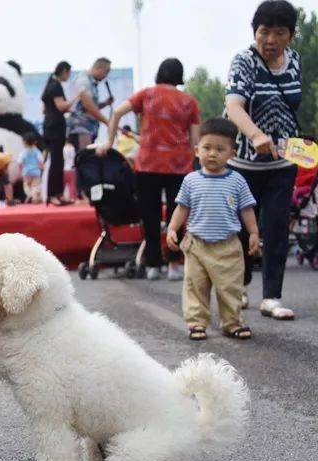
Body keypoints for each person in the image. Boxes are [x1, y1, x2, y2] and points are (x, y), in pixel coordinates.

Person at [225, 0, 300, 320]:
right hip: (244, 166)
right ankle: (238, 287)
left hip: (283, 162)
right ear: (254, 33)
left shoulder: (295, 60)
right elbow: (234, 106)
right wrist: (255, 135)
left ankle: (272, 296)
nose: (270, 39)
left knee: (277, 227)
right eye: (263, 32)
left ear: (290, 36)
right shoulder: (244, 61)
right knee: (242, 231)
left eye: (279, 33)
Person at [98, 58, 200, 281]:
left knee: (149, 214)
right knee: (178, 213)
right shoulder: (189, 102)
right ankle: (174, 263)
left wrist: (109, 143)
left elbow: (116, 113)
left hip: (147, 164)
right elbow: (195, 140)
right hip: (179, 165)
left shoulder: (146, 95)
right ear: (179, 76)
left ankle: (154, 265)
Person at [166, 118, 260, 341]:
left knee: (230, 288)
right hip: (196, 244)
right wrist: (172, 228)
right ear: (197, 150)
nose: (212, 154)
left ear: (232, 153)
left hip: (228, 246)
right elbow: (182, 208)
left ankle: (232, 322)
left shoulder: (237, 181)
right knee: (195, 287)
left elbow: (247, 209)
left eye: (220, 149)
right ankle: (196, 323)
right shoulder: (190, 180)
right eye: (207, 148)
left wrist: (254, 233)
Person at [41, 61, 80, 205]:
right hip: (55, 128)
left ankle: (58, 194)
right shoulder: (55, 86)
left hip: (50, 126)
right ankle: (53, 195)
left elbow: (44, 110)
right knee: (56, 162)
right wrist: (76, 98)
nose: (69, 76)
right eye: (68, 73)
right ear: (64, 71)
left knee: (58, 161)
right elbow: (61, 106)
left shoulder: (49, 85)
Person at [68, 57, 114, 151]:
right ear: (99, 68)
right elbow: (87, 105)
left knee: (88, 157)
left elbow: (92, 106)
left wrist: (105, 103)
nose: (106, 76)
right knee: (84, 158)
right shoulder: (84, 80)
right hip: (81, 127)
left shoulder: (92, 83)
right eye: (106, 72)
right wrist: (108, 122)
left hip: (90, 127)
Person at [18, 132, 44, 203]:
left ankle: (30, 195)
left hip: (26, 172)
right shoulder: (37, 151)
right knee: (36, 186)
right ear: (34, 142)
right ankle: (35, 197)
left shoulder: (23, 152)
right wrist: (41, 167)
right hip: (36, 171)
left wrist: (20, 171)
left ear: (24, 142)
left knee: (26, 185)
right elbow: (41, 160)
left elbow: (20, 162)